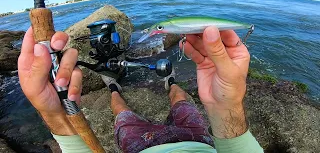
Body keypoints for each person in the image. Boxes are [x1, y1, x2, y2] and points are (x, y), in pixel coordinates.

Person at [18, 26, 263, 153]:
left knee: (121, 112)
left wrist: (54, 112)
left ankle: (113, 87)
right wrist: (225, 105)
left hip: (139, 146)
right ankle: (171, 82)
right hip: (200, 140)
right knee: (181, 99)